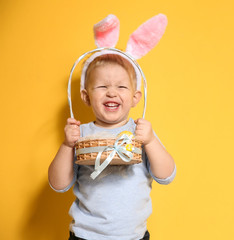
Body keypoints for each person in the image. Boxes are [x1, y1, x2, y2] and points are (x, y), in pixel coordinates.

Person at [48, 53, 176, 240]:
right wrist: (67, 145)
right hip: (86, 235)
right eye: (102, 86)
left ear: (135, 97)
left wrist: (150, 141)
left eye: (121, 86)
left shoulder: (140, 132)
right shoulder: (80, 134)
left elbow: (166, 176)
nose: (112, 93)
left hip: (133, 236)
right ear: (86, 96)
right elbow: (58, 185)